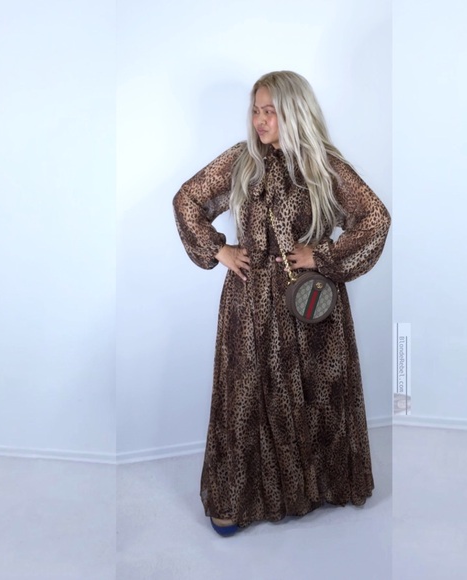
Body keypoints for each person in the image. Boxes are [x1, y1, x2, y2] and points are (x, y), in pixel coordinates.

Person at [173, 71, 390, 536]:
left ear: (294, 112)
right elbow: (186, 199)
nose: (260, 120)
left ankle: (315, 488)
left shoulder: (323, 166)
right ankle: (237, 499)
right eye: (256, 110)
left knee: (316, 392)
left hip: (309, 303)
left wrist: (322, 255)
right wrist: (219, 249)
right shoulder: (241, 160)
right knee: (245, 397)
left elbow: (375, 218)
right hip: (249, 301)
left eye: (270, 111)